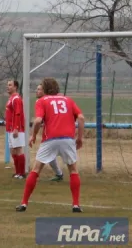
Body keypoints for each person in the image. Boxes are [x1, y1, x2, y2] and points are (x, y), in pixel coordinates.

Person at [15, 77, 84, 213]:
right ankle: (75, 205)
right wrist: (80, 138)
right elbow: (81, 118)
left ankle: (24, 203)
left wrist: (33, 135)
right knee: (73, 170)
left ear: (45, 89)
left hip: (50, 138)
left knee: (36, 170)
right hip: (67, 139)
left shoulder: (41, 101)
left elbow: (37, 121)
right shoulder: (68, 100)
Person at [36, 84, 64, 181]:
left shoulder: (48, 101)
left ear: (45, 91)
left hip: (56, 134)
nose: (37, 91)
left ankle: (34, 175)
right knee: (51, 155)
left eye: (39, 89)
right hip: (52, 133)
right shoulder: (40, 101)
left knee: (46, 155)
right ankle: (59, 174)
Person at [5, 80, 26, 179]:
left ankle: (22, 173)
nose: (8, 87)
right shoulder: (11, 98)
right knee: (13, 151)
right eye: (7, 85)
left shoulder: (16, 99)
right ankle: (17, 172)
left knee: (18, 149)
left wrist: (16, 128)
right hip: (10, 129)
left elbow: (18, 114)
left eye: (10, 85)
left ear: (15, 87)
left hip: (16, 129)